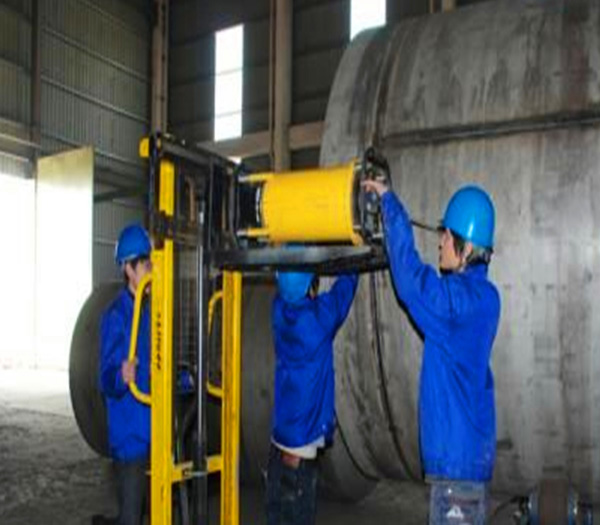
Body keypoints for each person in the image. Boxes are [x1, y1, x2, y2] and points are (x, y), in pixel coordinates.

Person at [362, 180, 500, 525]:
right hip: (465, 463)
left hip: (456, 472)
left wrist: (389, 205)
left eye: (447, 236)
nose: (440, 242)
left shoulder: (459, 304)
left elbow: (412, 285)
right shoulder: (486, 298)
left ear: (467, 248)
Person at [266, 269, 358, 525]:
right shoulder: (317, 320)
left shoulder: (278, 310)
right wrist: (353, 268)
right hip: (302, 448)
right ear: (310, 287)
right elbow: (341, 295)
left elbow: (290, 287)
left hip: (280, 442)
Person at [94, 224, 152, 525]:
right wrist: (121, 375)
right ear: (129, 269)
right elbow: (104, 379)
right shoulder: (115, 316)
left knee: (144, 512)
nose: (151, 269)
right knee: (131, 517)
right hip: (130, 437)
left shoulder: (150, 311)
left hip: (152, 431)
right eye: (145, 264)